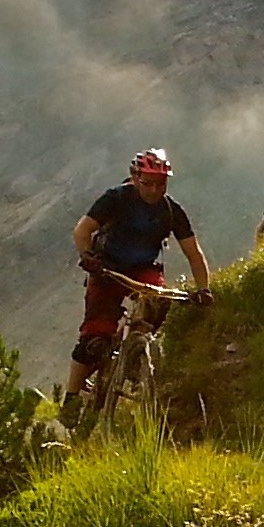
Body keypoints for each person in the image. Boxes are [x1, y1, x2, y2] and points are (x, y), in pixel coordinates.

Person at [62, 147, 212, 413]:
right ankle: (72, 399)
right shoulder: (115, 199)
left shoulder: (171, 210)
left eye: (160, 184)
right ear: (135, 177)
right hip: (106, 268)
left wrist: (204, 289)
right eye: (148, 183)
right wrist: (88, 256)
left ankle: (135, 356)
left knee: (158, 300)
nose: (154, 190)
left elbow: (193, 253)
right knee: (93, 339)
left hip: (144, 268)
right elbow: (82, 230)